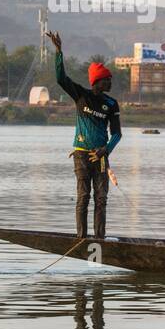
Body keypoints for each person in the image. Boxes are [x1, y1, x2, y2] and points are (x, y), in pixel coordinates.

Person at [45, 32, 122, 239]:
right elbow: (61, 79)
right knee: (83, 197)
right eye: (107, 80)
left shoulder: (111, 104)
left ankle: (99, 239)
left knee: (101, 199)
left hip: (101, 157)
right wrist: (58, 52)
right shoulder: (81, 95)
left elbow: (117, 134)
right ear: (98, 81)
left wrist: (105, 150)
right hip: (81, 155)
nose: (110, 83)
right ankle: (81, 238)